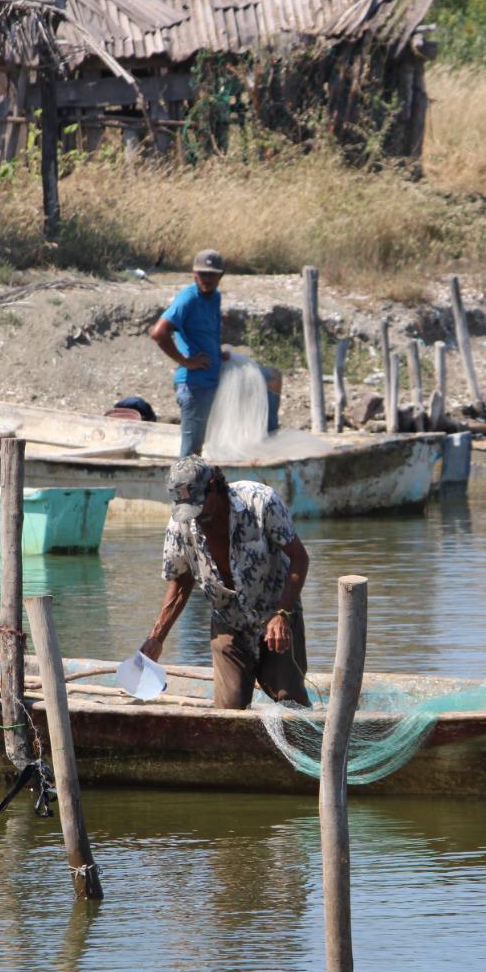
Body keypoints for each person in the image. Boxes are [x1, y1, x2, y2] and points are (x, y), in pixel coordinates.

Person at [140, 456, 311, 710]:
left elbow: (299, 558)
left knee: (291, 703)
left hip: (276, 615)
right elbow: (180, 585)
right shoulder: (180, 526)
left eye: (198, 506)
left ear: (215, 485)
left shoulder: (261, 502)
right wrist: (156, 639)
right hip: (228, 621)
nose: (194, 517)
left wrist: (282, 614)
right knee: (230, 710)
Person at [148, 249, 281, 457]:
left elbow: (206, 330)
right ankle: (183, 488)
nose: (207, 279)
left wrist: (217, 353)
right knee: (192, 454)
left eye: (212, 274)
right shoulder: (188, 298)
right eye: (202, 274)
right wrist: (186, 361)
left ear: (221, 276)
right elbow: (158, 332)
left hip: (215, 376)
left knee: (272, 378)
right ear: (194, 274)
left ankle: (270, 444)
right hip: (195, 385)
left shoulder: (214, 298)